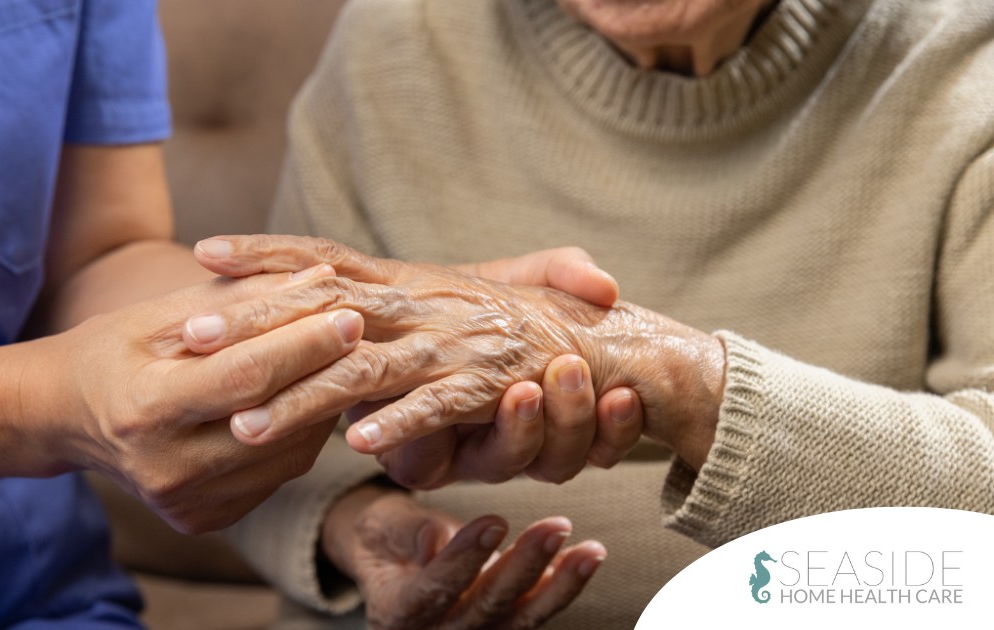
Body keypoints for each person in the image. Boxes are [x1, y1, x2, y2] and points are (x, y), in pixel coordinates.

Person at [0, 2, 618, 627]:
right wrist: (44, 406)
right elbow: (57, 389)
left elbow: (96, 257)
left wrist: (374, 307)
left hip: (33, 594)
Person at [188, 0, 994, 627]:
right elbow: (259, 429)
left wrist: (679, 377)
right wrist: (359, 529)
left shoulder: (963, 57)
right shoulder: (395, 41)